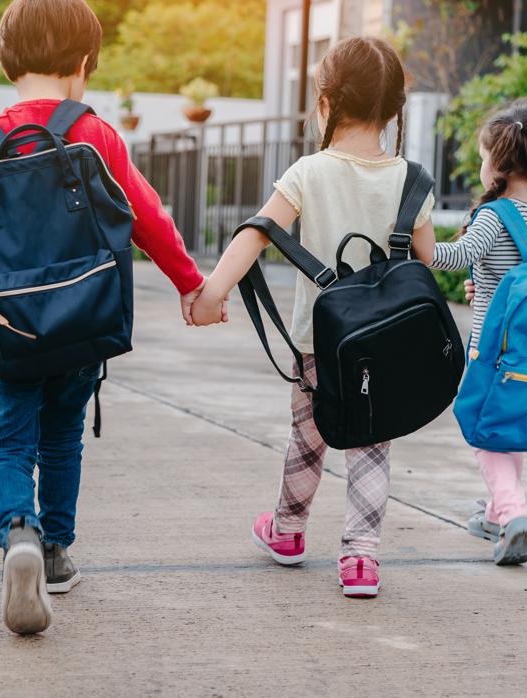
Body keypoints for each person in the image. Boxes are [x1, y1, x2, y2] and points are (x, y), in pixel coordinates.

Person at [0, 0, 204, 633]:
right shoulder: (95, 134)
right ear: (84, 64)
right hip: (85, 323)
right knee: (62, 436)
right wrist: (192, 284)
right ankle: (56, 552)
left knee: (7, 441)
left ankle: (19, 533)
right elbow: (148, 218)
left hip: (9, 328)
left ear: (7, 61)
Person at [190, 37, 434, 598]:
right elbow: (425, 260)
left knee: (308, 437)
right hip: (387, 345)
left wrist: (213, 292)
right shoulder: (411, 180)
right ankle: (362, 561)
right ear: (395, 109)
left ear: (324, 103)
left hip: (319, 343)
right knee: (373, 441)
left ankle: (289, 531)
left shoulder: (308, 171)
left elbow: (258, 231)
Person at [413, 101, 527, 565]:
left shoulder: (494, 215)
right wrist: (485, 282)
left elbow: (453, 256)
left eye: (483, 158)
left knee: (483, 431)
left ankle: (515, 511)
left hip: (491, 349)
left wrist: (416, 235)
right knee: (508, 430)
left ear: (499, 164)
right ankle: (497, 512)